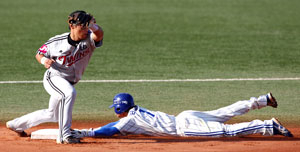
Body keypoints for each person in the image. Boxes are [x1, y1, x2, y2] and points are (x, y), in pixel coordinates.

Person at [6, 10, 104, 144]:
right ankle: (65, 135)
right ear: (72, 26)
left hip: (68, 81)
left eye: (88, 26)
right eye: (83, 26)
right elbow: (39, 53)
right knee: (68, 93)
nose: (86, 30)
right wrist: (44, 61)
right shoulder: (57, 42)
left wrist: (92, 25)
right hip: (54, 78)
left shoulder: (89, 39)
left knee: (52, 114)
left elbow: (99, 34)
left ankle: (16, 124)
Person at [71, 92, 293, 138]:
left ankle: (268, 126)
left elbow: (110, 129)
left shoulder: (129, 119)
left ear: (120, 109)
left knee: (226, 131)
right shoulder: (137, 112)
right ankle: (260, 100)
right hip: (185, 116)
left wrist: (87, 133)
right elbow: (118, 126)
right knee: (223, 112)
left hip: (185, 128)